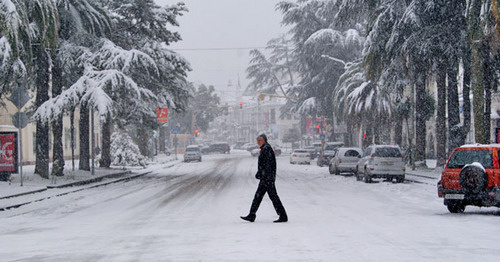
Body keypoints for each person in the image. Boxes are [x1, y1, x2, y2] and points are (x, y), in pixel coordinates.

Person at [241, 134, 288, 223]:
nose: (258, 142)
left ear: (264, 140)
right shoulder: (265, 148)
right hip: (266, 178)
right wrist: (260, 173)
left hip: (267, 179)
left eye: (259, 140)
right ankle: (252, 214)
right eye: (257, 140)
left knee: (271, 197)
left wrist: (264, 175)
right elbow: (263, 164)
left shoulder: (266, 149)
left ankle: (283, 215)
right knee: (259, 197)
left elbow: (268, 164)